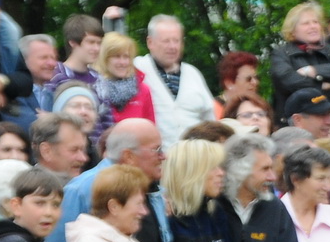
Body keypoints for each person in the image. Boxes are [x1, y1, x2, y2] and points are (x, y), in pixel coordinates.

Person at [135, 15, 214, 147]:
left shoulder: (193, 74)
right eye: (166, 41)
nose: (172, 46)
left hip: (195, 159)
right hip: (156, 160)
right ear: (150, 43)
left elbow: (210, 119)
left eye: (176, 41)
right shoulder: (137, 69)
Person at [92, 32, 153, 138]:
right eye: (117, 56)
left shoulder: (142, 90)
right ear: (104, 58)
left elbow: (150, 130)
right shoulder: (93, 89)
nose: (123, 62)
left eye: (127, 57)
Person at [30, 112, 89, 181]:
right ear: (46, 151)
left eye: (83, 150)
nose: (83, 158)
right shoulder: (28, 189)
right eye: (74, 150)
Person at [215, 51, 261, 119]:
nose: (255, 82)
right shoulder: (214, 111)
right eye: (249, 79)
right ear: (229, 83)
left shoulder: (257, 108)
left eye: (256, 78)